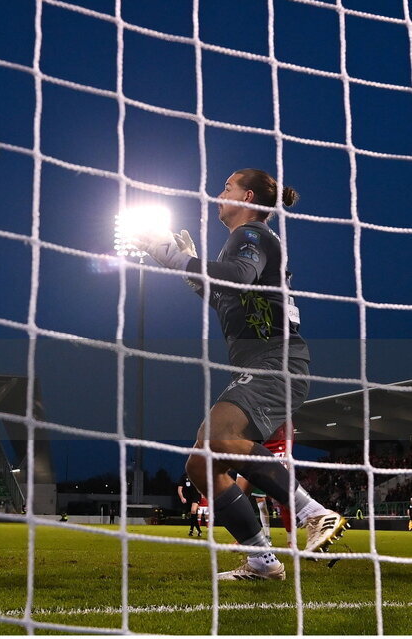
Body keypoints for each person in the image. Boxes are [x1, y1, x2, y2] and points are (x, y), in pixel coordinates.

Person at [131, 169, 346, 581]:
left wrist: (174, 256)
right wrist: (185, 265)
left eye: (227, 188)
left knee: (218, 439)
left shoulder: (253, 235)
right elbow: (224, 294)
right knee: (200, 464)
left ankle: (314, 514)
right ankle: (262, 562)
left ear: (247, 197)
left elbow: (237, 277)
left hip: (275, 361)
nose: (218, 194)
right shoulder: (244, 244)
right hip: (257, 365)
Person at [177, 472, 201, 536]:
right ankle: (197, 530)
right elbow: (179, 489)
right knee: (193, 514)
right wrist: (182, 498)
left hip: (196, 496)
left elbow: (201, 488)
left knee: (193, 510)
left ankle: (192, 530)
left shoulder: (197, 476)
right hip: (188, 498)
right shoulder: (184, 477)